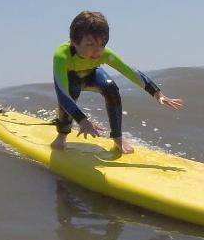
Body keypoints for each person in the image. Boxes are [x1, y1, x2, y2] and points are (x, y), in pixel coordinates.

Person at [50, 10, 183, 154]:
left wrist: (157, 93)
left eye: (102, 44)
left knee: (111, 88)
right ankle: (62, 136)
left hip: (91, 74)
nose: (97, 51)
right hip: (71, 79)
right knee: (71, 90)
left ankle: (118, 138)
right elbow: (62, 95)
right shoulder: (61, 56)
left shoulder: (104, 53)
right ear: (75, 42)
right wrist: (83, 121)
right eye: (90, 44)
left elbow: (130, 71)